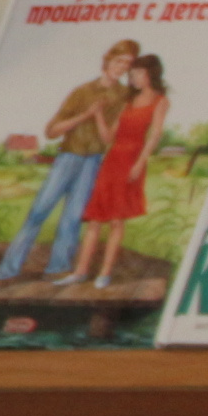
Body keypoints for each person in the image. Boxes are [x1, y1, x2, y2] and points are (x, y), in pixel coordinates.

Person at [0, 41, 135, 284]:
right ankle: (8, 269)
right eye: (118, 61)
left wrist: (99, 118)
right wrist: (85, 115)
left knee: (73, 218)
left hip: (92, 161)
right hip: (68, 157)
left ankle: (58, 268)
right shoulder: (82, 92)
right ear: (107, 60)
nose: (122, 67)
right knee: (39, 211)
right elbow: (51, 131)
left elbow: (110, 137)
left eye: (127, 64)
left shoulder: (124, 96)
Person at [72, 51, 167, 289]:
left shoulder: (160, 101)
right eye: (131, 74)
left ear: (150, 74)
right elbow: (108, 138)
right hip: (112, 160)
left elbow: (154, 136)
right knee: (95, 219)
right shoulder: (127, 102)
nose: (132, 78)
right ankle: (80, 271)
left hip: (132, 161)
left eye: (137, 73)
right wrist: (98, 116)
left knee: (116, 221)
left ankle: (104, 273)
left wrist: (139, 164)